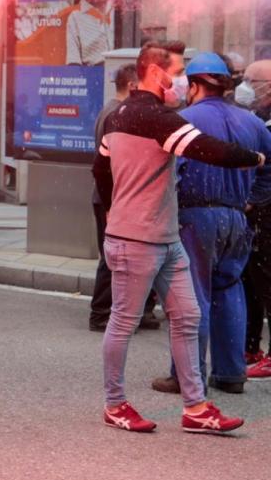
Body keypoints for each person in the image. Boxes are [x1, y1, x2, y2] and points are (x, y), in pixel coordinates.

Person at [92, 41, 261, 434]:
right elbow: (210, 150)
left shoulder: (117, 117)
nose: (183, 81)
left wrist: (121, 205)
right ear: (156, 72)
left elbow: (100, 172)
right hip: (138, 240)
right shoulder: (159, 119)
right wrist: (256, 159)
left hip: (163, 238)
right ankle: (115, 404)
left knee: (187, 317)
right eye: (179, 71)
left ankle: (196, 407)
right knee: (123, 322)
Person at [145, 53, 271, 396]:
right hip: (236, 217)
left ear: (197, 84)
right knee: (229, 291)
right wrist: (249, 199)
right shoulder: (254, 123)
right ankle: (231, 374)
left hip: (194, 217)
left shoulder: (183, 120)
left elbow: (169, 176)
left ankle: (186, 376)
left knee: (190, 298)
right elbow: (268, 171)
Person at [88, 64, 160, 332]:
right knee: (113, 258)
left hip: (114, 196)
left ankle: (129, 312)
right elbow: (109, 164)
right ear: (132, 85)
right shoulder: (117, 113)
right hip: (113, 197)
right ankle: (101, 314)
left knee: (120, 257)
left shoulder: (111, 110)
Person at [238, 59, 271, 378]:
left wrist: (251, 202)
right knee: (253, 282)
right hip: (257, 218)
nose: (245, 85)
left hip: (266, 215)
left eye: (251, 80)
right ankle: (250, 347)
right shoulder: (259, 117)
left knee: (268, 284)